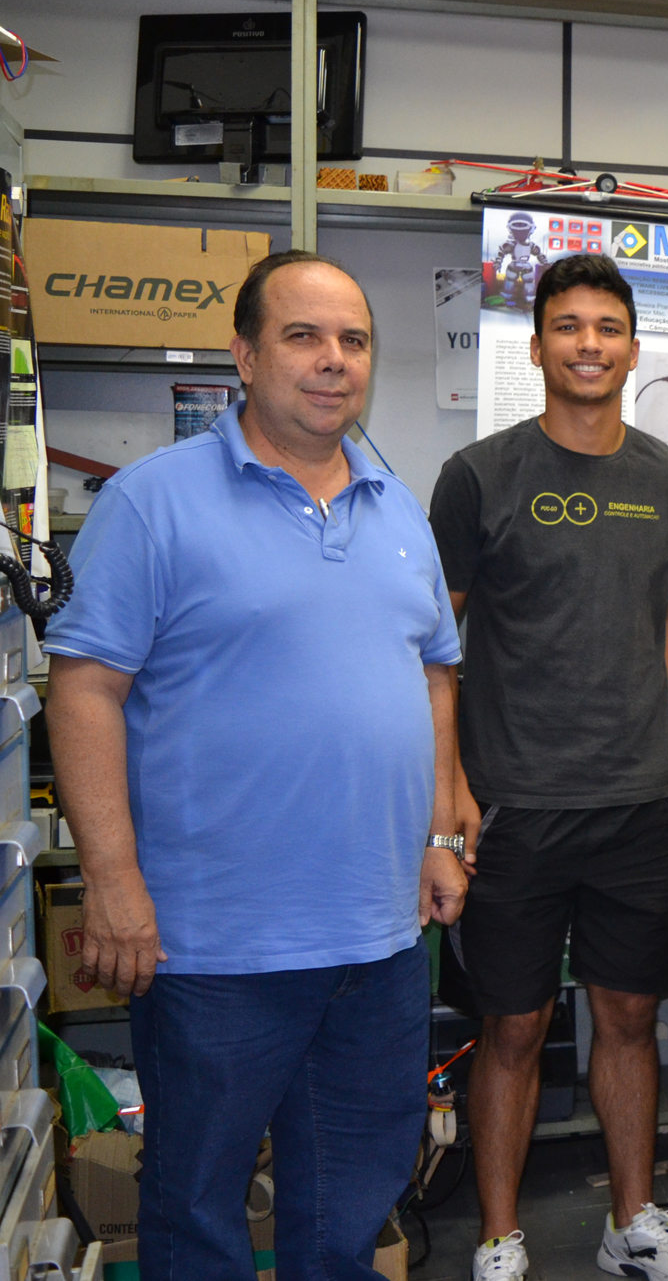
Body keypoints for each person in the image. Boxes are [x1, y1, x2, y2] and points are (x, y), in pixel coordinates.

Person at [44, 250, 469, 1280]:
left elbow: (433, 677)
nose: (334, 360)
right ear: (244, 356)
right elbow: (84, 690)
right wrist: (112, 881)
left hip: (376, 940)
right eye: (303, 336)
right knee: (197, 1207)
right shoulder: (153, 502)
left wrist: (441, 833)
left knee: (351, 1207)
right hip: (214, 948)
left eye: (353, 340)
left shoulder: (397, 507)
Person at [430, 254, 668, 1281]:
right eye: (568, 326)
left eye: (606, 327)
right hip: (514, 804)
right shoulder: (478, 477)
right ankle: (498, 1238)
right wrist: (451, 794)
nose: (588, 344)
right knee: (513, 1025)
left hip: (638, 801)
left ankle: (631, 1223)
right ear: (537, 345)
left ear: (633, 349)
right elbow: (435, 651)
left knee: (631, 1017)